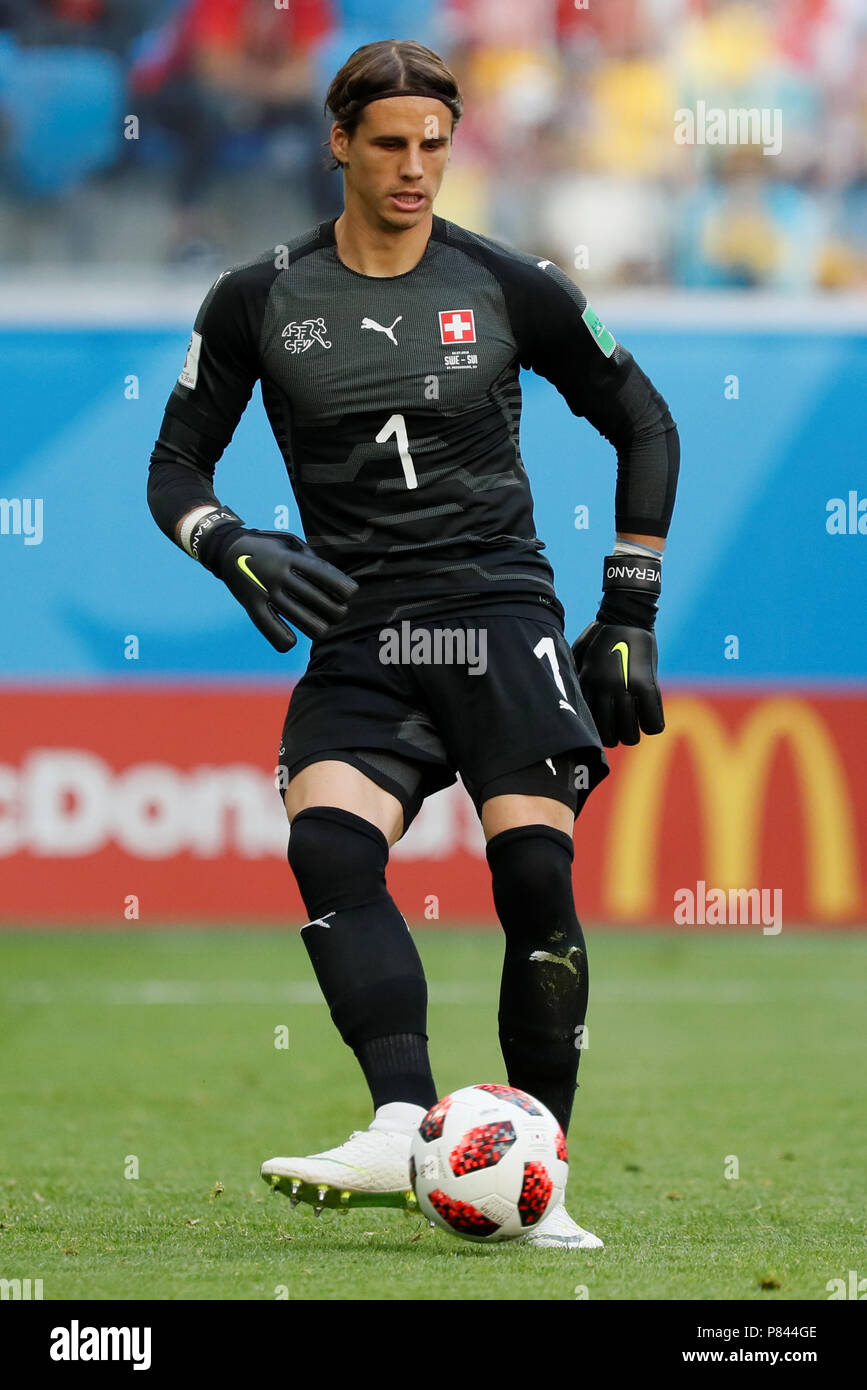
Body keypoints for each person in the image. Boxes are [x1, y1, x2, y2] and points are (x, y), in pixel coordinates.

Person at [147, 38, 679, 1250]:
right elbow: (174, 465)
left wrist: (631, 608)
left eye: (435, 145)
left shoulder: (506, 284)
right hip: (359, 624)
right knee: (329, 843)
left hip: (498, 611)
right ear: (339, 142)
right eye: (389, 144)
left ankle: (539, 1165)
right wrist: (225, 538)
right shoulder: (257, 298)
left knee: (534, 876)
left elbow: (642, 419)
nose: (415, 168)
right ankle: (399, 1116)